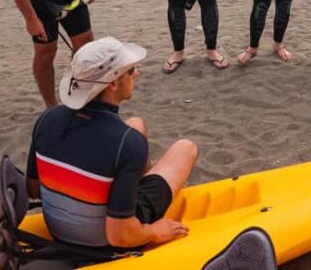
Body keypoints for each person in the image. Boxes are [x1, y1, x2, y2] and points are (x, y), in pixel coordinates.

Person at [26, 37, 198, 250]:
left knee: (136, 124)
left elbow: (33, 189)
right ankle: (138, 200)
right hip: (103, 243)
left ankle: (126, 187)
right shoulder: (127, 143)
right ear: (113, 84)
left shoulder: (47, 119)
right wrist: (155, 232)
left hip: (57, 231)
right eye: (130, 70)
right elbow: (120, 237)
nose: (137, 73)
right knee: (185, 148)